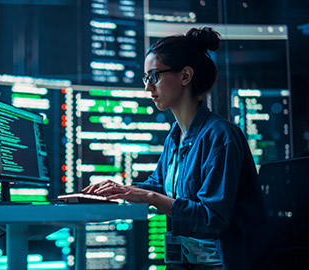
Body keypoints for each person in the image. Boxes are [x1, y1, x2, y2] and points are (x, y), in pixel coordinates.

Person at [82, 27, 267, 270]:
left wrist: (148, 197)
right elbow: (159, 186)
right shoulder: (176, 136)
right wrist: (119, 189)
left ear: (185, 76)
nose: (148, 88)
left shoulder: (221, 136)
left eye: (154, 76)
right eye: (146, 78)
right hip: (186, 263)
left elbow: (211, 219)